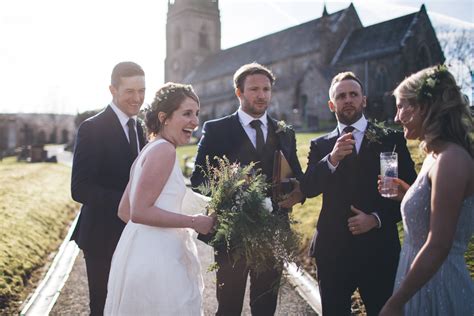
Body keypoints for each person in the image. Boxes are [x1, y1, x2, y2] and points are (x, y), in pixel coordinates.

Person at [297, 71, 417, 315]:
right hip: (332, 251)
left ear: (364, 99)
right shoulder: (320, 145)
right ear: (332, 105)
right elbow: (308, 189)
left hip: (379, 249)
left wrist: (376, 218)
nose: (348, 99)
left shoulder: (390, 140)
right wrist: (332, 159)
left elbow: (411, 192)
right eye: (341, 96)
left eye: (353, 94)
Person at [191, 62, 304, 315]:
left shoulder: (284, 132)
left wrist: (298, 192)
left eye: (266, 89)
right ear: (238, 93)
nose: (262, 95)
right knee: (228, 306)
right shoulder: (216, 129)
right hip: (232, 233)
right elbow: (199, 178)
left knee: (265, 306)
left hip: (273, 231)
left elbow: (297, 175)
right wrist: (231, 184)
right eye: (254, 89)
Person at [104, 83, 215, 315]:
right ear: (164, 117)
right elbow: (139, 212)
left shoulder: (148, 150)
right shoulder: (165, 151)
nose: (195, 122)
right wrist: (193, 221)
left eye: (196, 114)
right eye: (186, 114)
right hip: (159, 262)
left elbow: (124, 211)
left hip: (139, 254)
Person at [379, 65, 474, 315]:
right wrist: (408, 195)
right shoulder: (435, 154)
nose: (397, 117)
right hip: (419, 280)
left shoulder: (451, 159)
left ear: (422, 107)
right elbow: (437, 211)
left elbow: (439, 245)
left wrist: (394, 303)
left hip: (438, 286)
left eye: (401, 106)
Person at [70, 61, 147, 315]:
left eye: (142, 91)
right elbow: (80, 188)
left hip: (135, 235)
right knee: (102, 307)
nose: (137, 99)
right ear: (112, 90)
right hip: (101, 236)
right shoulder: (92, 128)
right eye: (130, 92)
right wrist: (128, 202)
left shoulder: (140, 127)